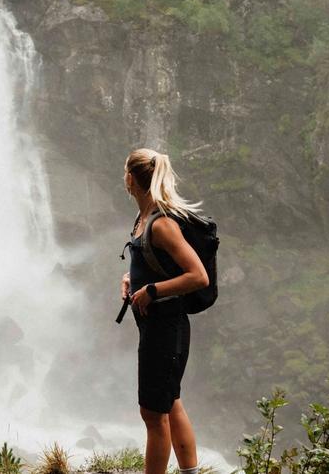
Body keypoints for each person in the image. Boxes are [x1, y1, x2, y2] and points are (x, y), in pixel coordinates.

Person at [119, 148, 208, 474]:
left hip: (165, 329)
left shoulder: (162, 223)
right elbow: (155, 263)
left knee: (153, 415)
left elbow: (198, 276)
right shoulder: (144, 218)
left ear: (131, 178)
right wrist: (133, 278)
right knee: (170, 403)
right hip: (157, 328)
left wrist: (153, 291)